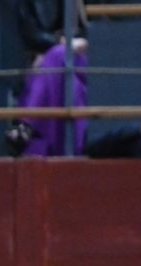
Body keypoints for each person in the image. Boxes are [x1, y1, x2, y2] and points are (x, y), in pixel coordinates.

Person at [5, 0, 89, 157]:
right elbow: (32, 35)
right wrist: (61, 44)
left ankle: (26, 125)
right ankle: (76, 148)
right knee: (70, 85)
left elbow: (103, 28)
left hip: (87, 58)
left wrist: (69, 44)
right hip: (56, 62)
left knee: (54, 58)